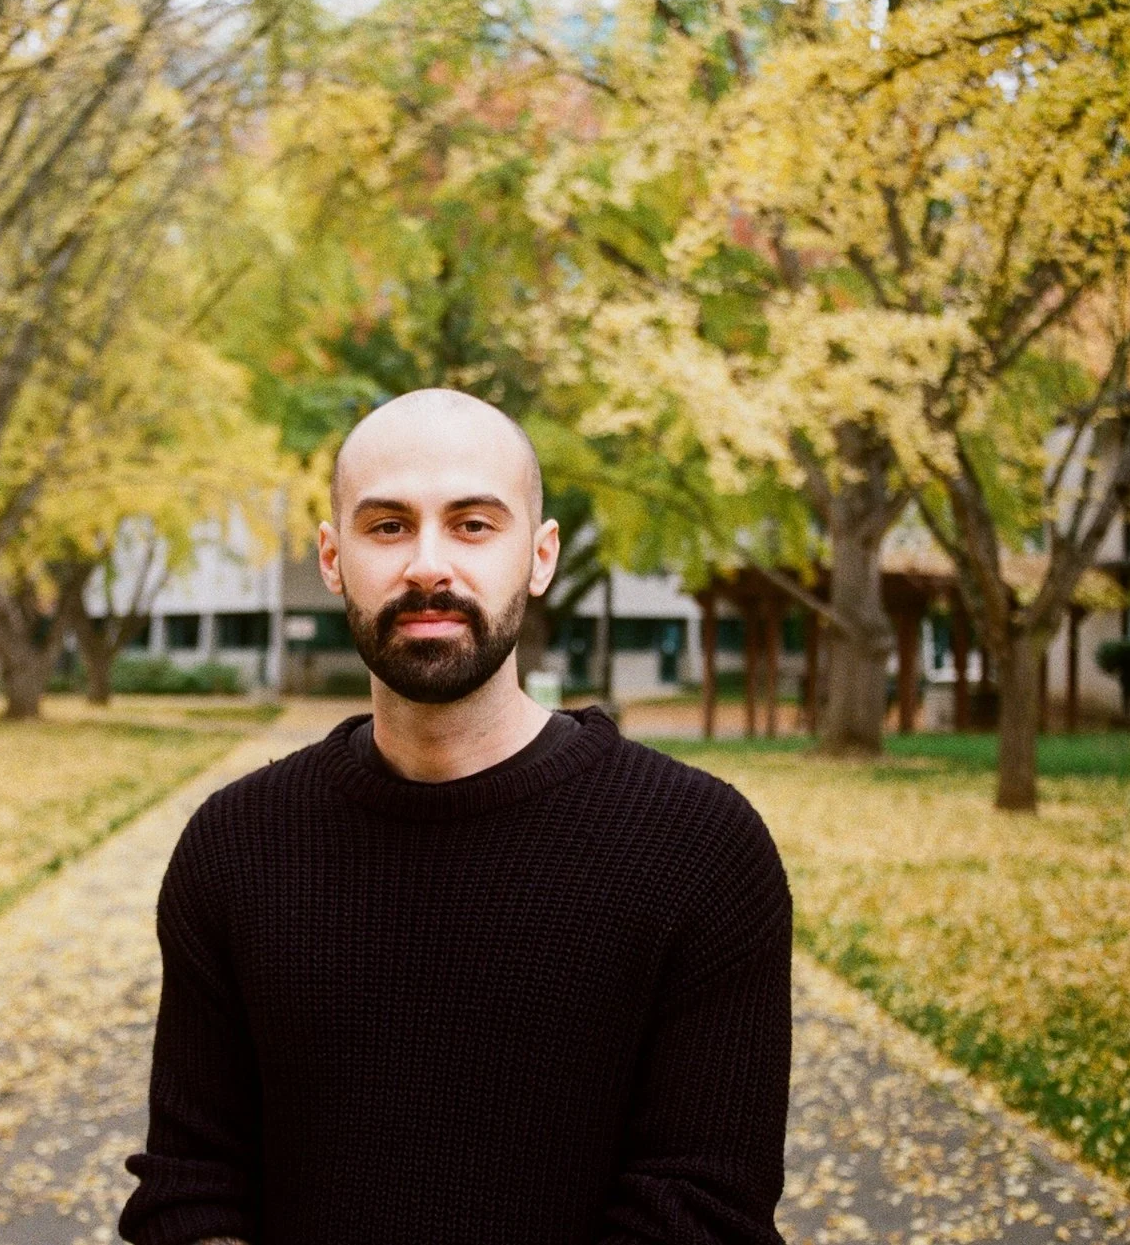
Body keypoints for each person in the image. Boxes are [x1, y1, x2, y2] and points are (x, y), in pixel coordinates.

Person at [117, 388, 792, 1245]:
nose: (428, 564)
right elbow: (192, 1190)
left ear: (540, 557)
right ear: (332, 557)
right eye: (388, 526)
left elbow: (703, 1214)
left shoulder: (699, 850)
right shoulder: (236, 849)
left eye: (473, 524)